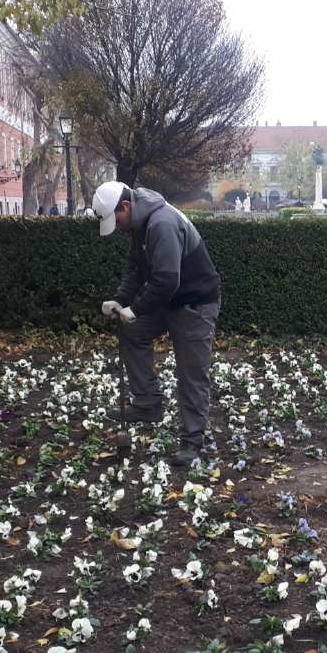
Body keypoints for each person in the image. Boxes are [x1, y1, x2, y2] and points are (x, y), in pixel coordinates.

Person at [94, 181, 222, 468]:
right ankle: (148, 403)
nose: (120, 228)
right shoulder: (139, 224)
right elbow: (136, 268)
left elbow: (166, 280)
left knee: (191, 373)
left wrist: (135, 309)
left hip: (194, 303)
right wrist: (119, 300)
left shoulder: (161, 223)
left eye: (118, 220)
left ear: (125, 206)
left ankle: (192, 441)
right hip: (169, 300)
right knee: (132, 331)